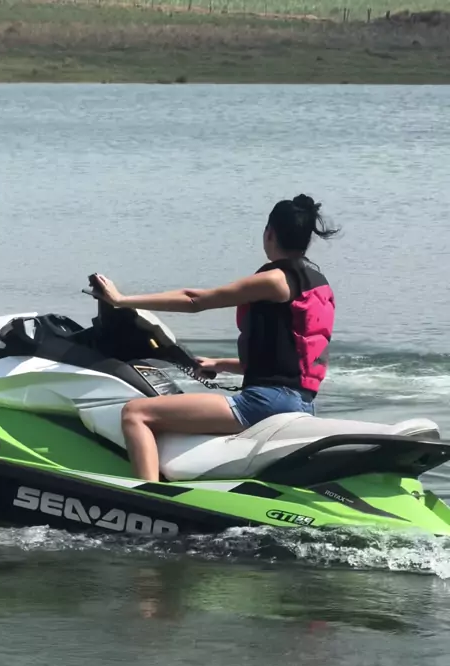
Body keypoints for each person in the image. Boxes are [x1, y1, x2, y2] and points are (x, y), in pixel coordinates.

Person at [91, 194, 337, 482]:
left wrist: (120, 300)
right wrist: (219, 363)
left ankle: (148, 497)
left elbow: (194, 300)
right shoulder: (318, 286)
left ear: (269, 233)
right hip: (302, 404)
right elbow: (291, 362)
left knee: (135, 414)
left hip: (264, 404)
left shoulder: (274, 280)